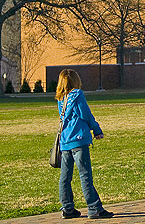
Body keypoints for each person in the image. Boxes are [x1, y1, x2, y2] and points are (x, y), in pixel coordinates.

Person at [55, 69, 113, 219]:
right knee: (85, 175)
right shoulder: (77, 95)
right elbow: (85, 114)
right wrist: (97, 129)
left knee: (65, 177)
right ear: (75, 81)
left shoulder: (61, 98)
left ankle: (67, 208)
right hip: (79, 140)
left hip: (65, 141)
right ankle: (94, 208)